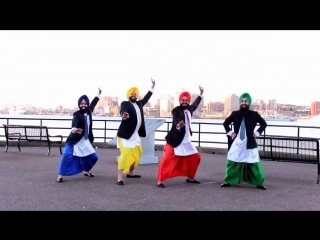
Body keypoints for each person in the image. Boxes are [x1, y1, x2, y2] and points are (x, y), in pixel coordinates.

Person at [157, 86, 204, 188]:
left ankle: (190, 178)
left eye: (186, 100)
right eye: (183, 100)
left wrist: (200, 94)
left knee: (196, 157)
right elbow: (176, 119)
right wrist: (179, 124)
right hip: (175, 139)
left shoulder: (190, 109)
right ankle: (160, 180)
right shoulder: (176, 110)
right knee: (166, 159)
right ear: (180, 101)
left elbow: (195, 104)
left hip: (186, 140)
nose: (184, 102)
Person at [220, 92, 267, 190]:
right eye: (242, 101)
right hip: (237, 142)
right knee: (233, 161)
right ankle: (228, 181)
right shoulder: (235, 114)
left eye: (245, 101)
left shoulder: (254, 115)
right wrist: (230, 133)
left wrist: (257, 133)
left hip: (249, 142)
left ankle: (259, 183)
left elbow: (263, 124)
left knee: (253, 162)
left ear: (249, 103)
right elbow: (225, 124)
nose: (243, 103)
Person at [116, 78, 155, 186]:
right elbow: (123, 110)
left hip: (135, 134)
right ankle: (119, 178)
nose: (133, 95)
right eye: (131, 93)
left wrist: (152, 87)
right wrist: (124, 115)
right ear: (128, 95)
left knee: (138, 153)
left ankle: (131, 172)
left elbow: (146, 98)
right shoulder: (125, 103)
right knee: (126, 153)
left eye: (135, 94)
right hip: (125, 134)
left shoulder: (139, 104)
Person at [56, 88, 102, 183]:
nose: (83, 105)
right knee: (66, 155)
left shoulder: (89, 110)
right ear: (79, 105)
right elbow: (74, 121)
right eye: (81, 104)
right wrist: (74, 129)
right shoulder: (77, 114)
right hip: (75, 139)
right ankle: (60, 175)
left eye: (85, 104)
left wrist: (99, 94)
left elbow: (94, 102)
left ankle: (86, 170)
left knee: (94, 157)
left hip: (85, 140)